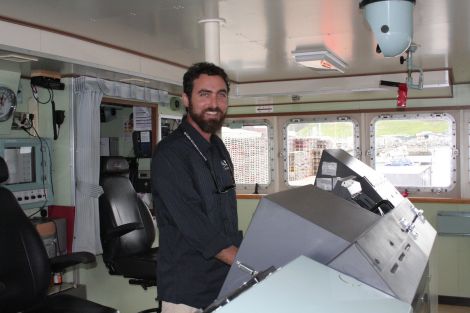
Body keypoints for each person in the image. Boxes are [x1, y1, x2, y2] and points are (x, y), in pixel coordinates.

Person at [151, 62, 242, 313]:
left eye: (221, 95)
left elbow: (227, 217)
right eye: (204, 94)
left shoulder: (219, 148)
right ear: (186, 99)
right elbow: (194, 225)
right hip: (187, 289)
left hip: (222, 282)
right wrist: (245, 263)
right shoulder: (170, 154)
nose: (214, 103)